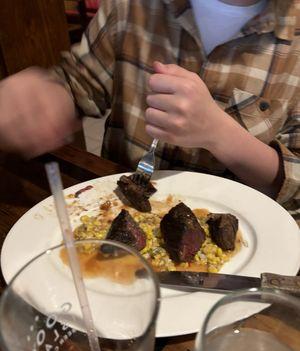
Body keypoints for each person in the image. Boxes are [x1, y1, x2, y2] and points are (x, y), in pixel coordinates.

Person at [0, 0, 299, 223]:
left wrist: (221, 134)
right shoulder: (133, 6)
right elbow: (80, 84)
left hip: (243, 248)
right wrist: (45, 99)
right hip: (115, 216)